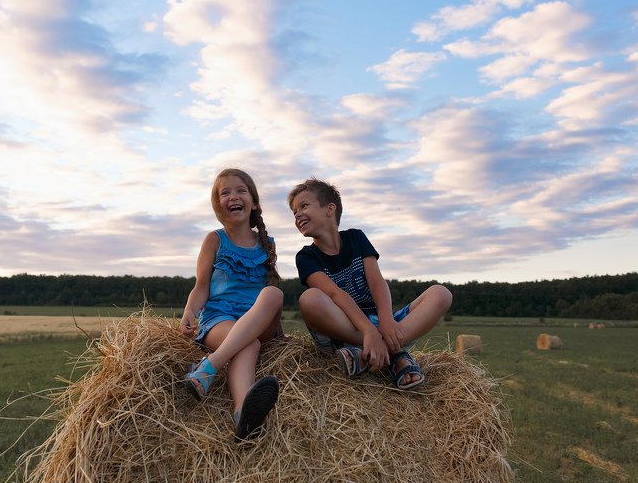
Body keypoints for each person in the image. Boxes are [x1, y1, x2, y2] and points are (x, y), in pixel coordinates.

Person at [287, 178, 452, 390]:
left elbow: (376, 281)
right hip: (342, 331)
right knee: (309, 299)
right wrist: (368, 332)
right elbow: (334, 294)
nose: (297, 214)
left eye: (304, 206)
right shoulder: (306, 256)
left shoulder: (356, 238)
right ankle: (395, 354)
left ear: (330, 209)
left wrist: (385, 320)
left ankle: (367, 355)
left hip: (381, 325)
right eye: (294, 212)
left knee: (441, 294)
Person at [180, 168, 283, 441]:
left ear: (254, 202)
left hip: (257, 320)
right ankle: (243, 416)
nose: (233, 196)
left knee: (274, 294)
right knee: (247, 344)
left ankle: (207, 368)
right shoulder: (215, 239)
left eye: (240, 191)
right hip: (221, 318)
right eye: (225, 192)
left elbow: (267, 288)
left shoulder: (267, 244)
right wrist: (190, 311)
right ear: (218, 205)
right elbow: (202, 286)